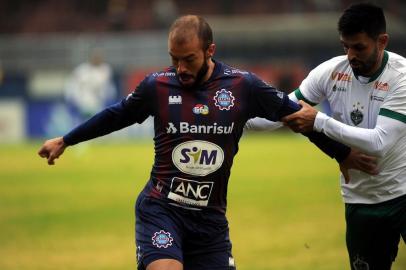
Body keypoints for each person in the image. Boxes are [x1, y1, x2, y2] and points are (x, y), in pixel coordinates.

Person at [38, 15, 375, 270]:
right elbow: (115, 115)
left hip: (210, 220)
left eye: (189, 59)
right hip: (162, 209)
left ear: (210, 50)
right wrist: (66, 140)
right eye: (174, 59)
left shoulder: (243, 86)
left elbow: (298, 117)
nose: (180, 68)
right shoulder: (157, 86)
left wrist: (340, 153)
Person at [250, 3, 406, 269]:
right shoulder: (331, 71)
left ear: (382, 41)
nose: (350, 55)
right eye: (345, 46)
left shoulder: (400, 77)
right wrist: (229, 117)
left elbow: (379, 143)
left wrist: (319, 121)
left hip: (403, 193)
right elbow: (280, 114)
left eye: (359, 47)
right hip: (360, 199)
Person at [64, 48, 116, 123]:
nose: (97, 59)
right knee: (85, 122)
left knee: (97, 122)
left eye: (99, 57)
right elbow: (72, 84)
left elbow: (108, 86)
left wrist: (108, 97)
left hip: (98, 101)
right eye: (95, 57)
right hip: (83, 101)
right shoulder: (82, 70)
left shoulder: (105, 69)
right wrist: (72, 97)